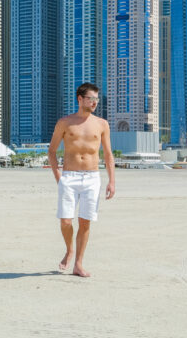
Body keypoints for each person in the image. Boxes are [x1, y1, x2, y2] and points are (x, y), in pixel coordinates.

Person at [48, 82, 115, 277]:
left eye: (96, 99)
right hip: (69, 176)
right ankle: (69, 249)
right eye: (90, 99)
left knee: (85, 223)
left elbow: (108, 154)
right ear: (80, 99)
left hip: (92, 177)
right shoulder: (65, 122)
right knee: (65, 221)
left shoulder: (102, 124)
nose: (95, 102)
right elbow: (52, 151)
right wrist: (59, 177)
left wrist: (112, 181)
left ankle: (78, 264)